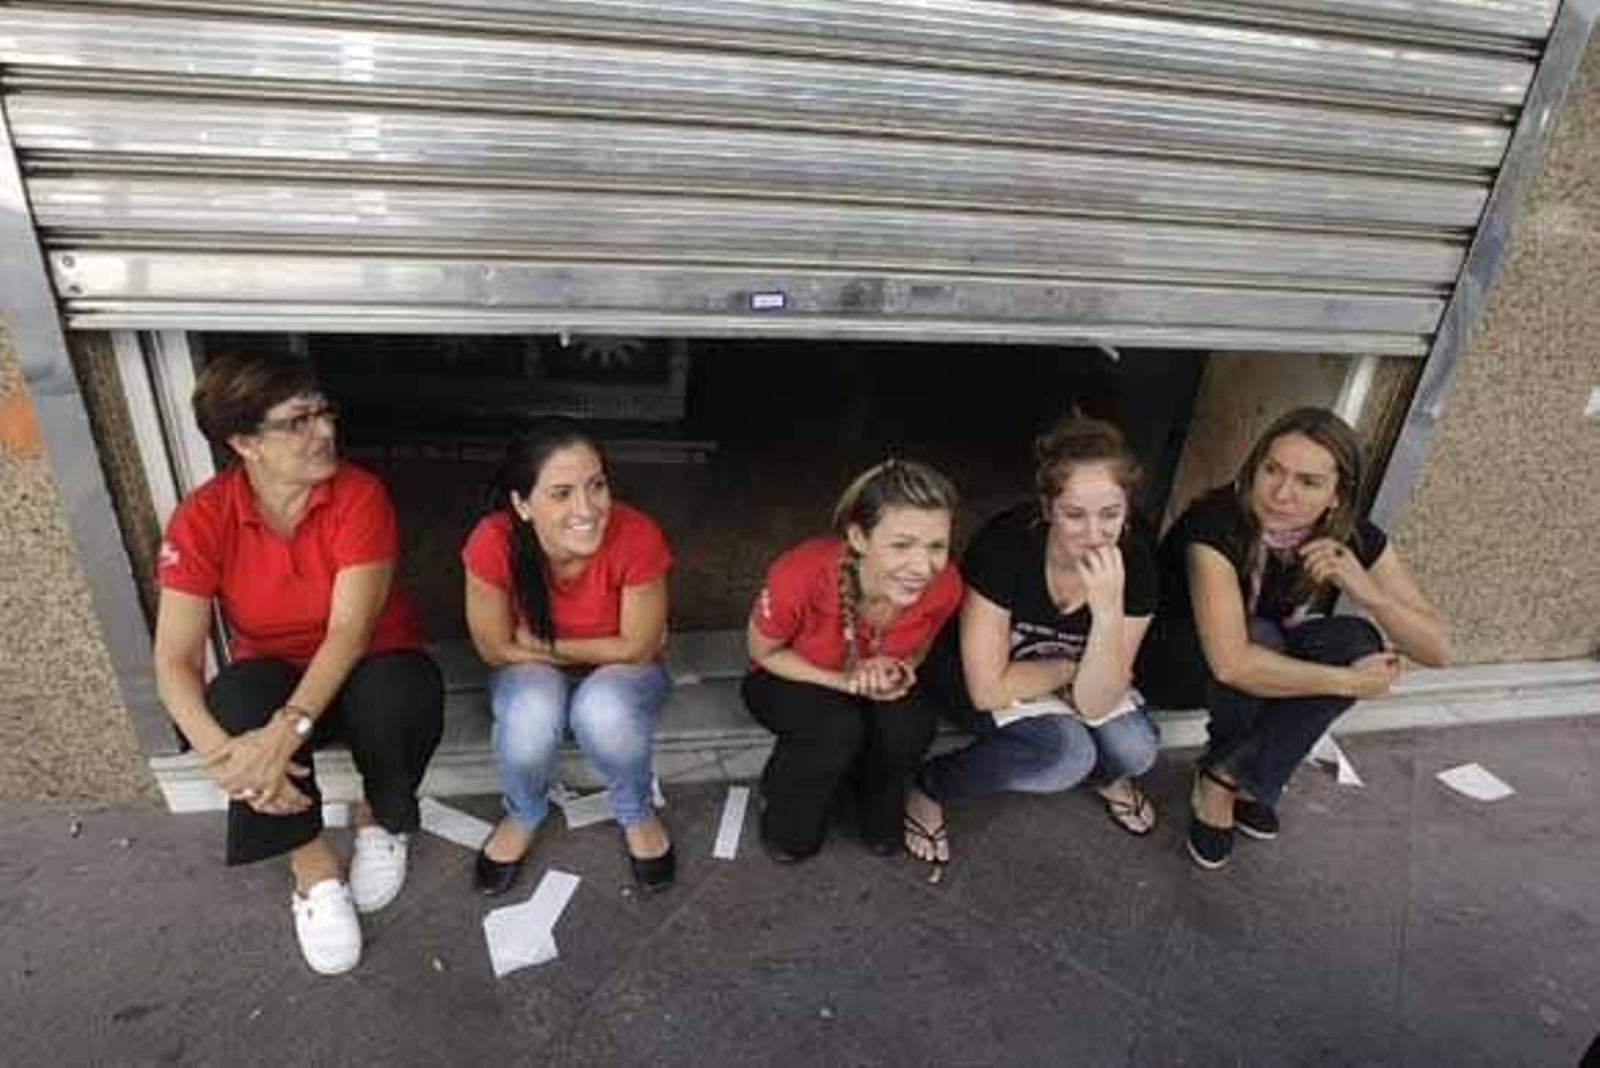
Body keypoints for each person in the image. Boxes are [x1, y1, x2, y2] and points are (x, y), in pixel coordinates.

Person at [152, 352, 443, 976]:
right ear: (243, 442)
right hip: (277, 673)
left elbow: (349, 632)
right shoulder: (202, 518)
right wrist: (230, 760)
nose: (325, 431)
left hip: (368, 662)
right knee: (232, 700)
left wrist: (283, 736)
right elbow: (174, 662)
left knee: (403, 690)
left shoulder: (358, 495)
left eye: (324, 412)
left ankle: (380, 819)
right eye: (298, 420)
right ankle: (311, 867)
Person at [1137, 407, 1449, 871]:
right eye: (1272, 470)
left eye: (1308, 482)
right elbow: (1232, 664)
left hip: (1259, 655)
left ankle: (1230, 772)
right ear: (1254, 467)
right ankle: (1224, 789)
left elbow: (1438, 650)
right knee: (1263, 638)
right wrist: (1349, 683)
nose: (1282, 493)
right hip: (1174, 662)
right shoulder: (1214, 524)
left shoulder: (1349, 534)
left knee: (1357, 639)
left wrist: (1368, 593)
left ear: (1338, 494)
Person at [908, 416, 1162, 865]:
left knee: (1136, 749)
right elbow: (987, 688)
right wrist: (1069, 669)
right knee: (1066, 754)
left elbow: (1098, 703)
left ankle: (1105, 776)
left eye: (1110, 514)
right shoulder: (1005, 546)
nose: (1094, 534)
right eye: (1074, 515)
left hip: (1048, 683)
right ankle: (931, 785)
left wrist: (1106, 614)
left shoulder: (1136, 561)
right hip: (969, 674)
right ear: (1047, 509)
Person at [462, 420, 675, 895]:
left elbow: (638, 648)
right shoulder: (492, 540)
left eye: (596, 485)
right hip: (528, 670)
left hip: (624, 674)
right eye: (560, 493)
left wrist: (543, 643)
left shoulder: (636, 534)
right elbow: (493, 647)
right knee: (532, 709)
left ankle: (636, 810)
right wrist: (577, 651)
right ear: (521, 504)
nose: (586, 508)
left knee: (603, 708)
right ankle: (523, 812)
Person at [743, 459, 962, 864]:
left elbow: (922, 645)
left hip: (870, 676)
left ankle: (866, 792)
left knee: (911, 726)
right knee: (836, 730)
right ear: (859, 537)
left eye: (936, 546)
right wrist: (844, 682)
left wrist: (899, 667)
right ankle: (784, 799)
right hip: (788, 674)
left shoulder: (945, 583)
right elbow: (763, 652)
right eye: (902, 544)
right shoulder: (801, 573)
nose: (922, 566)